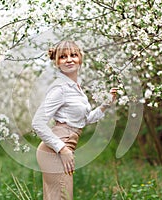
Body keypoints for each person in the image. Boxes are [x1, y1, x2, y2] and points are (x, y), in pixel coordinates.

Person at [32, 40, 117, 200]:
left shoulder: (75, 88)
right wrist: (62, 149)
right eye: (63, 57)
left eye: (73, 55)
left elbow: (82, 121)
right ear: (57, 62)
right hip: (54, 151)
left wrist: (106, 104)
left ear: (80, 59)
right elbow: (37, 123)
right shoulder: (60, 89)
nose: (69, 59)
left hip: (63, 148)